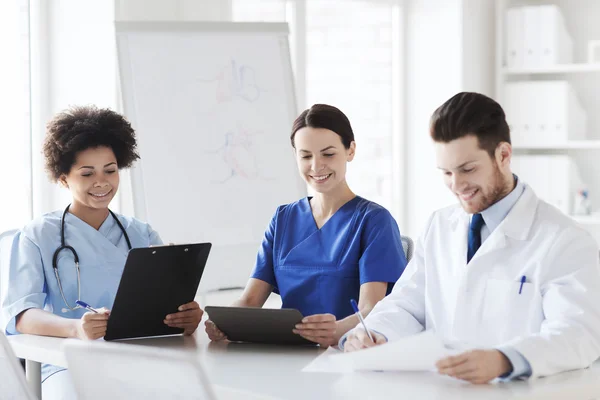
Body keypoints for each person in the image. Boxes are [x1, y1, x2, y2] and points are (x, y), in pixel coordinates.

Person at [341, 92, 600, 383]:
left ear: (503, 155)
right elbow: (406, 306)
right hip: (441, 389)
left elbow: (578, 334)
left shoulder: (565, 239)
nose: (456, 184)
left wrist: (505, 359)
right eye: (446, 172)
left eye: (467, 169)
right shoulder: (439, 226)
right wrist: (374, 334)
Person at [1, 106, 203, 398]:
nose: (101, 182)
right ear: (62, 178)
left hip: (143, 361)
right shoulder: (37, 235)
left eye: (110, 170)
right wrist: (76, 329)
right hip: (67, 362)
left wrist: (187, 317)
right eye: (87, 173)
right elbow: (21, 316)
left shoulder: (141, 234)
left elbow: (167, 305)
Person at [205, 104, 407, 346]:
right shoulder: (283, 219)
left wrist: (337, 331)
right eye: (306, 155)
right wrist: (224, 322)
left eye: (328, 154)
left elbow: (371, 308)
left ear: (350, 150)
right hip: (287, 353)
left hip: (346, 350)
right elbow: (250, 301)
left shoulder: (374, 221)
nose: (316, 165)